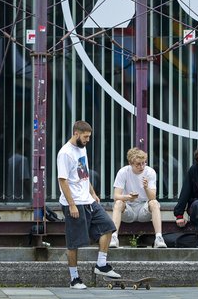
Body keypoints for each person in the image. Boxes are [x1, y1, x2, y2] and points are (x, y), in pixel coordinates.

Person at [57, 120, 121, 289]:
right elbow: (63, 181)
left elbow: (83, 172)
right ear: (76, 133)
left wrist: (92, 192)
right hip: (74, 203)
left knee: (108, 226)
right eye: (85, 137)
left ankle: (101, 264)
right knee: (74, 242)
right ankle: (74, 279)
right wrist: (71, 205)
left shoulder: (82, 148)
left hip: (88, 200)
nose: (87, 140)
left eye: (89, 137)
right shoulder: (65, 153)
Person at [109, 147, 167, 248]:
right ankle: (114, 237)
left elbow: (152, 197)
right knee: (118, 203)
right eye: (138, 164)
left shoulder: (150, 172)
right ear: (131, 164)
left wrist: (146, 187)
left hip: (143, 209)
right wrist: (128, 197)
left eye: (144, 163)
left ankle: (158, 238)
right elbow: (116, 196)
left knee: (154, 203)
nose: (142, 166)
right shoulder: (123, 172)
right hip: (129, 209)